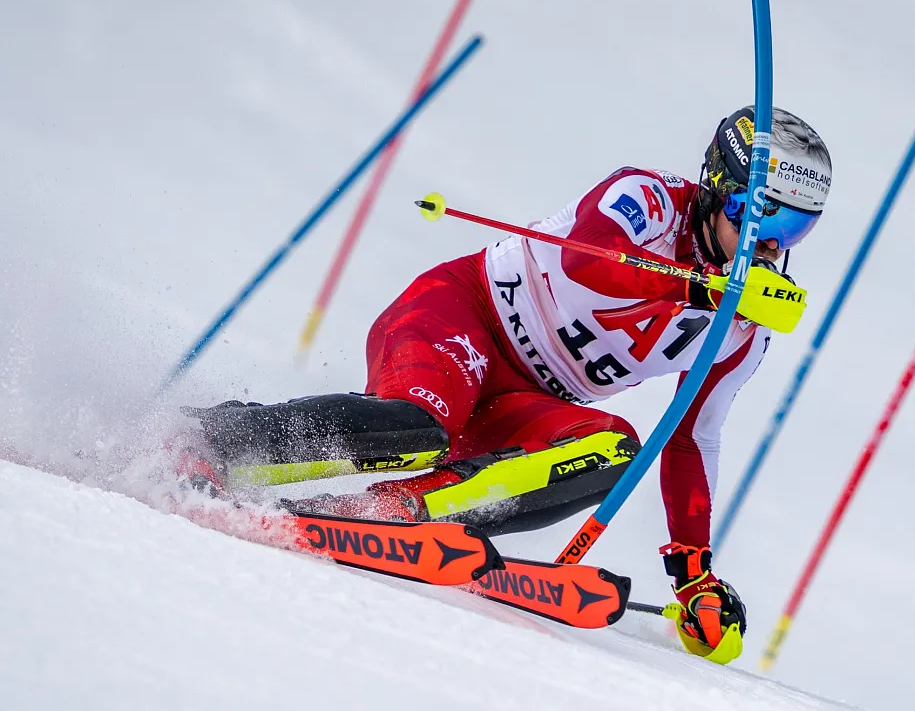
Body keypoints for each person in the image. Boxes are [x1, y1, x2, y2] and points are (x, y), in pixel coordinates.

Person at [182, 105, 833, 656]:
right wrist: (701, 285)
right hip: (461, 319)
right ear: (721, 190)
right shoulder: (649, 199)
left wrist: (694, 577)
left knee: (614, 451)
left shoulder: (744, 327)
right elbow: (587, 261)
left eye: (796, 226)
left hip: (526, 402)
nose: (773, 245)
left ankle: (388, 515)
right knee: (419, 430)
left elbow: (692, 440)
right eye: (763, 217)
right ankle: (214, 442)